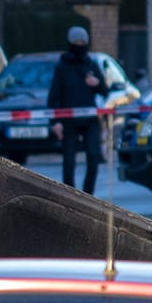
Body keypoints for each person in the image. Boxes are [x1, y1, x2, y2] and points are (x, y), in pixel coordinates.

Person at [48, 26, 108, 194]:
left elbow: (104, 90)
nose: (79, 45)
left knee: (94, 157)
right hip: (68, 120)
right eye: (76, 42)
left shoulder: (92, 64)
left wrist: (96, 83)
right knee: (69, 161)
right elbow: (54, 96)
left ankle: (89, 194)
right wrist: (55, 121)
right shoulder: (62, 67)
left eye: (82, 42)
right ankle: (70, 194)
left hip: (89, 120)